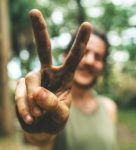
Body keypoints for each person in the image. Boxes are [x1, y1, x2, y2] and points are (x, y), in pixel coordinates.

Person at [15, 9, 117, 150]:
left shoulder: (109, 107)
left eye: (98, 57)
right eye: (84, 52)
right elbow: (40, 141)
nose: (90, 61)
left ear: (102, 66)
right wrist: (39, 127)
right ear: (65, 57)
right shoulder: (53, 105)